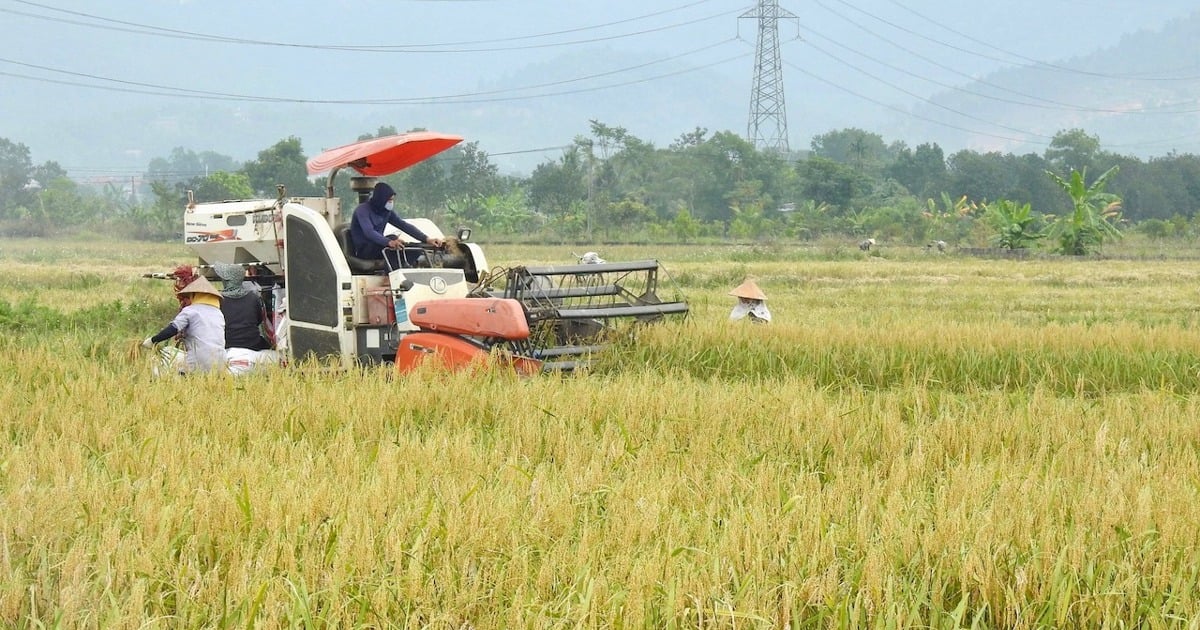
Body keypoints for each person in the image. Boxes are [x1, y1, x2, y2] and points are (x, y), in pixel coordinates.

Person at [142, 276, 226, 373]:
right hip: (221, 364)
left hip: (198, 362)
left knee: (167, 359)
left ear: (195, 295)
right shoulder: (219, 313)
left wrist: (153, 341)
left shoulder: (191, 310)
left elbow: (172, 329)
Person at [349, 181, 444, 265]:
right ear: (381, 199)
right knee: (393, 239)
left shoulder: (386, 211)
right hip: (365, 250)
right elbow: (369, 232)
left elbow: (403, 225)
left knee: (413, 248)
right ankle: (390, 276)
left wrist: (427, 239)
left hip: (380, 246)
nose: (391, 203)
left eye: (392, 200)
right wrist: (389, 242)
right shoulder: (362, 210)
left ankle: (405, 269)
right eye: (389, 200)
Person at [213, 262, 272, 351]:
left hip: (227, 345)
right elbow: (259, 320)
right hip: (253, 345)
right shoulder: (253, 297)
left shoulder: (218, 300)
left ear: (227, 281)